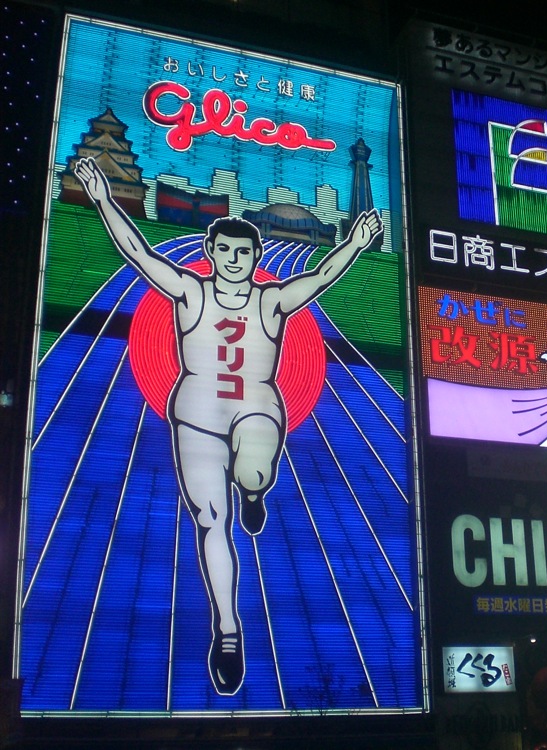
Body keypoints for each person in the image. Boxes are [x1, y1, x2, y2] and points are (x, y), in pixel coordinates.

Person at [74, 156, 383, 695]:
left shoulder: (272, 300)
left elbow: (320, 277)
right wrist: (102, 197)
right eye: (225, 251)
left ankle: (255, 488)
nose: (234, 259)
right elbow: (137, 253)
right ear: (210, 253)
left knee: (256, 465)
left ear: (255, 256)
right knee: (212, 523)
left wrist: (355, 243)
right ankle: (227, 628)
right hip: (195, 415)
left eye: (244, 251)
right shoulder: (190, 293)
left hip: (257, 408)